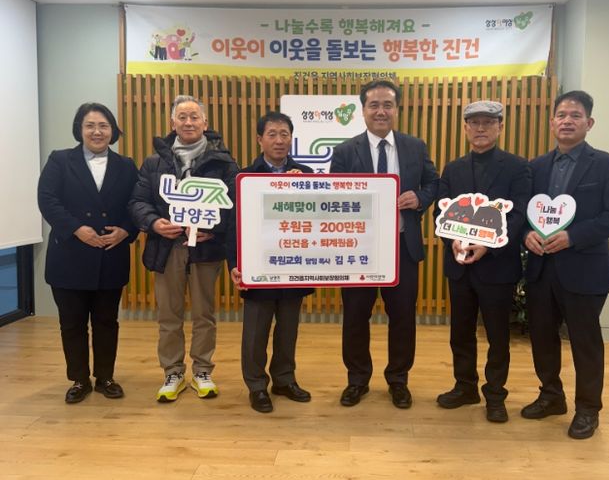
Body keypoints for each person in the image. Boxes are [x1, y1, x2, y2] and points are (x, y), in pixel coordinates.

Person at [521, 90, 609, 439]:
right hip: (541, 268)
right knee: (541, 337)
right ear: (551, 122)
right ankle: (551, 395)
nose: (567, 121)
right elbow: (523, 213)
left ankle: (588, 409)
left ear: (589, 122)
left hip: (585, 269)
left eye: (576, 115)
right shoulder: (535, 166)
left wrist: (573, 236)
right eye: (562, 115)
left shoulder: (607, 164)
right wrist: (526, 234)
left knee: (585, 341)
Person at [329, 80, 439, 409]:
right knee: (355, 316)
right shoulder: (345, 151)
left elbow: (434, 183)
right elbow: (333, 194)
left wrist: (419, 198)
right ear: (363, 110)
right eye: (374, 105)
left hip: (402, 247)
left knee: (403, 317)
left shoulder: (415, 147)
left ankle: (398, 380)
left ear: (397, 109)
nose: (381, 111)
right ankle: (357, 379)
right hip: (358, 249)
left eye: (387, 105)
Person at [128, 95, 239, 402]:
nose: (188, 122)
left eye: (194, 117)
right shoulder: (154, 163)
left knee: (205, 314)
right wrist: (154, 223)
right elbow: (137, 202)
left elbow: (235, 206)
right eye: (182, 117)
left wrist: (212, 228)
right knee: (169, 315)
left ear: (205, 122)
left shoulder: (224, 162)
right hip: (167, 248)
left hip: (205, 249)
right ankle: (173, 372)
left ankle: (202, 370)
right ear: (172, 123)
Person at [434, 101, 531, 423]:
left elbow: (518, 215)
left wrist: (487, 245)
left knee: (497, 335)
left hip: (497, 266)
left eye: (488, 122)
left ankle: (495, 394)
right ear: (465, 128)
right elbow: (440, 213)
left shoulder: (517, 167)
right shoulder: (453, 169)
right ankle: (465, 387)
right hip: (460, 264)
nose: (480, 128)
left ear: (500, 127)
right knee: (460, 333)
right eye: (474, 122)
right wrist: (453, 240)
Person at [37, 102, 138, 403]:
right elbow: (47, 199)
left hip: (110, 254)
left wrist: (126, 230)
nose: (97, 131)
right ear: (79, 129)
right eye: (90, 125)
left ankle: (105, 377)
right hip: (69, 256)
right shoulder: (60, 160)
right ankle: (79, 379)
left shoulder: (126, 165)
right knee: (72, 323)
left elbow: (137, 204)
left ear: (113, 131)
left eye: (103, 126)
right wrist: (76, 229)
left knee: (107, 322)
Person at [230, 111, 314, 413]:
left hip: (293, 264)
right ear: (259, 139)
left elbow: (317, 219)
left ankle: (284, 379)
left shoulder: (306, 174)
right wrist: (234, 264)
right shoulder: (244, 176)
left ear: (291, 138)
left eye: (284, 134)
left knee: (288, 327)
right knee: (256, 330)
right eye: (272, 134)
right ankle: (256, 385)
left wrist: (301, 191)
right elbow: (232, 226)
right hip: (257, 265)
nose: (279, 140)